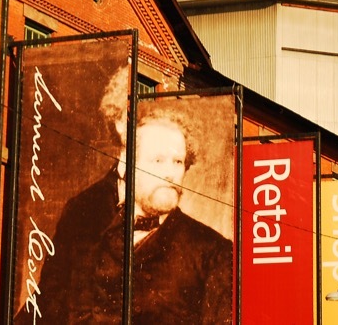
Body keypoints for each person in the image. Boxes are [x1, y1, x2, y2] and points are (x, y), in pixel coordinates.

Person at [34, 104, 233, 324]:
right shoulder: (89, 230)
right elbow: (46, 306)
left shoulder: (213, 251)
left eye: (178, 162)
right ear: (128, 165)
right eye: (158, 160)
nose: (170, 174)